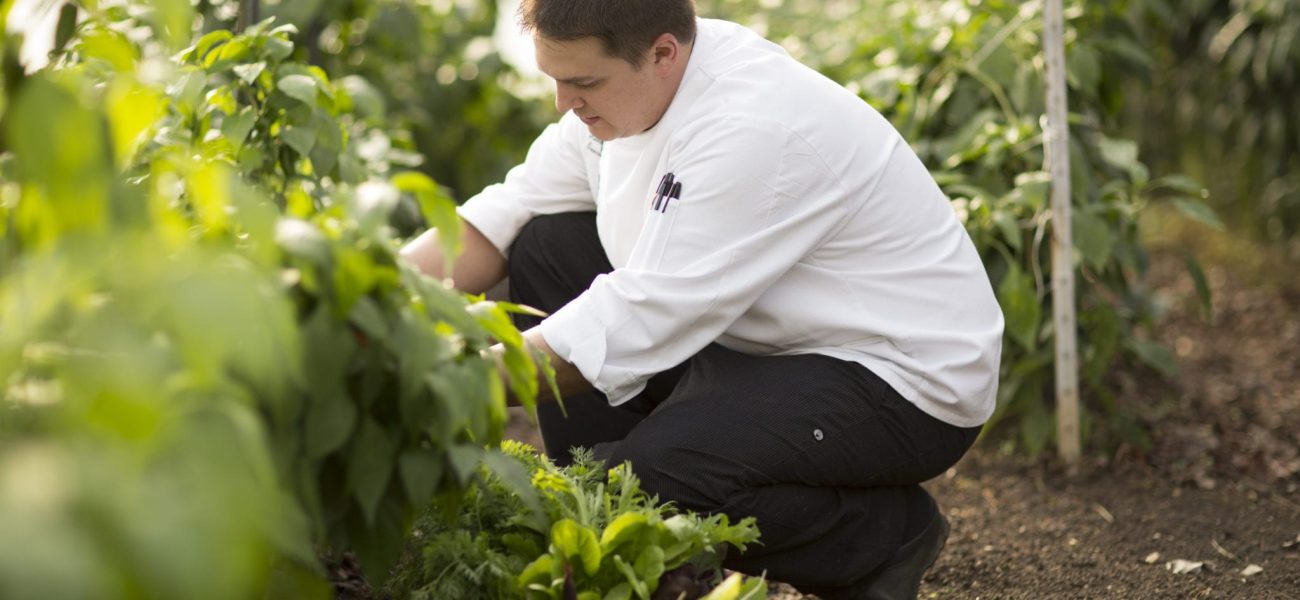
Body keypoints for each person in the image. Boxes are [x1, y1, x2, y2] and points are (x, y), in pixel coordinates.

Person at [400, 0, 1004, 597]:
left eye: (582, 81)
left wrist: (443, 388)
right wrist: (367, 301)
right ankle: (604, 503)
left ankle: (885, 537)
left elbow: (639, 318)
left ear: (663, 51)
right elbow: (498, 220)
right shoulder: (630, 95)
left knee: (659, 477)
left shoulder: (751, 126)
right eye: (556, 79)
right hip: (759, 339)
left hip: (899, 376)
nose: (564, 103)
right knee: (546, 244)